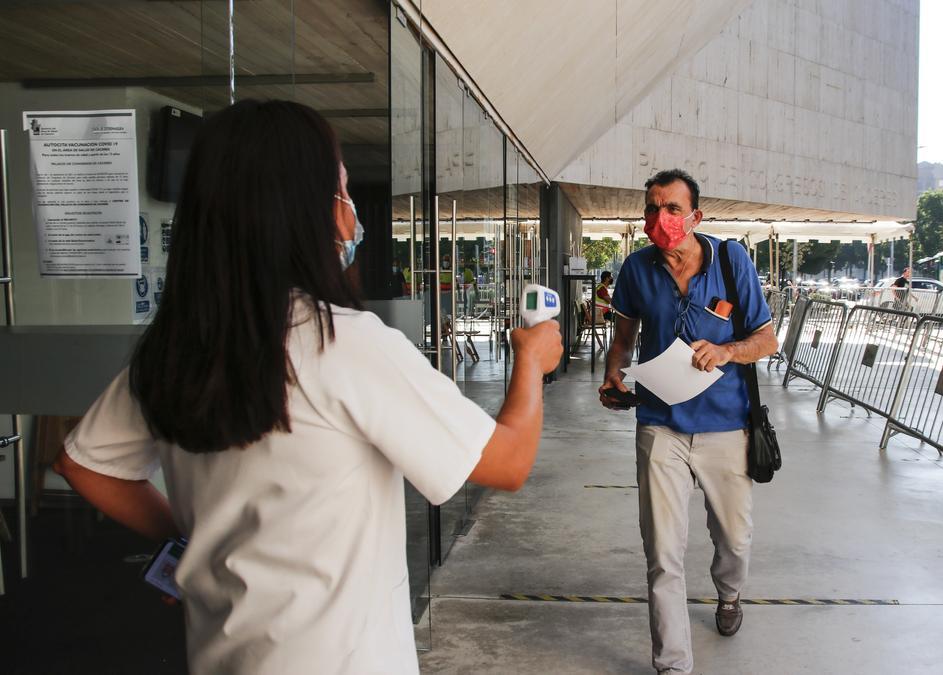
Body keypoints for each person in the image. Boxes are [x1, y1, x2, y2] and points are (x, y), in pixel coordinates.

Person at [53, 100, 562, 674]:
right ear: (302, 211)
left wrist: (190, 543)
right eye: (340, 190)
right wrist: (531, 360)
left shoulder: (176, 345)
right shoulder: (345, 344)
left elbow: (86, 466)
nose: (348, 214)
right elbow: (508, 461)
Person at [599, 169, 778, 674]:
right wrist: (614, 376)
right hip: (659, 425)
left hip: (727, 426)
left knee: (734, 539)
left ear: (695, 217)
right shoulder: (635, 269)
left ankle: (730, 593)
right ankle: (673, 665)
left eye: (673, 209)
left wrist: (725, 351)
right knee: (662, 551)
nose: (661, 218)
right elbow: (623, 339)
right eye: (652, 209)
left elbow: (767, 340)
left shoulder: (731, 260)